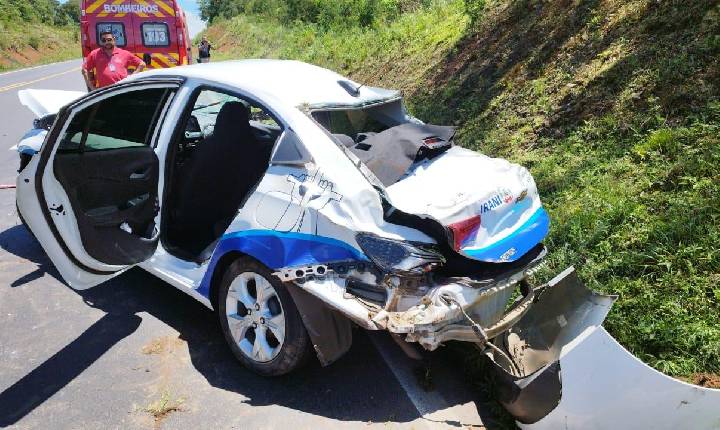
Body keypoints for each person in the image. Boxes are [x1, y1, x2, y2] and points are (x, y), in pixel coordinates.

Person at [82, 31, 146, 91]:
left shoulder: (124, 53)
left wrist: (131, 77)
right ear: (101, 42)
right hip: (105, 92)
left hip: (122, 89)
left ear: (114, 39)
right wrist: (91, 87)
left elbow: (142, 64)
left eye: (109, 39)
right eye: (104, 40)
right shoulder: (95, 54)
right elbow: (84, 69)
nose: (107, 42)